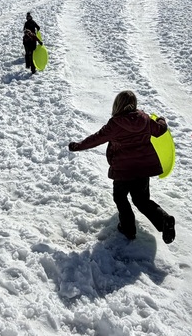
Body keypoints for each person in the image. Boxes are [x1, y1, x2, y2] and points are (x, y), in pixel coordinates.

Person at [67, 90, 176, 244]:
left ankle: (128, 229)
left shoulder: (115, 124)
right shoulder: (144, 119)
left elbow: (96, 139)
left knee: (120, 198)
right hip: (142, 170)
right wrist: (161, 120)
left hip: (122, 171)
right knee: (142, 200)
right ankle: (164, 220)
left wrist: (77, 146)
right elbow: (160, 130)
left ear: (117, 105)